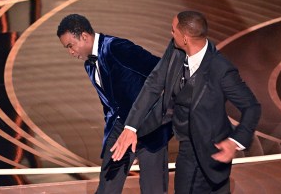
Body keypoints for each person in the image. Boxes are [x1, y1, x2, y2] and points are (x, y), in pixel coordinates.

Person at [111, 10, 261, 193]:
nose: (171, 33)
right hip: (187, 144)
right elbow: (154, 84)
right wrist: (131, 127)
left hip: (212, 148)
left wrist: (235, 141)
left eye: (173, 30)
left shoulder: (221, 70)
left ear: (185, 38)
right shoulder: (175, 49)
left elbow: (252, 107)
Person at [56, 14, 172, 194]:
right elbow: (109, 103)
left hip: (150, 127)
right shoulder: (89, 65)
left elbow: (160, 70)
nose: (70, 51)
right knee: (107, 188)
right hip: (119, 129)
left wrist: (163, 112)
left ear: (84, 36)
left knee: (154, 189)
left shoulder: (117, 48)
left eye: (70, 45)